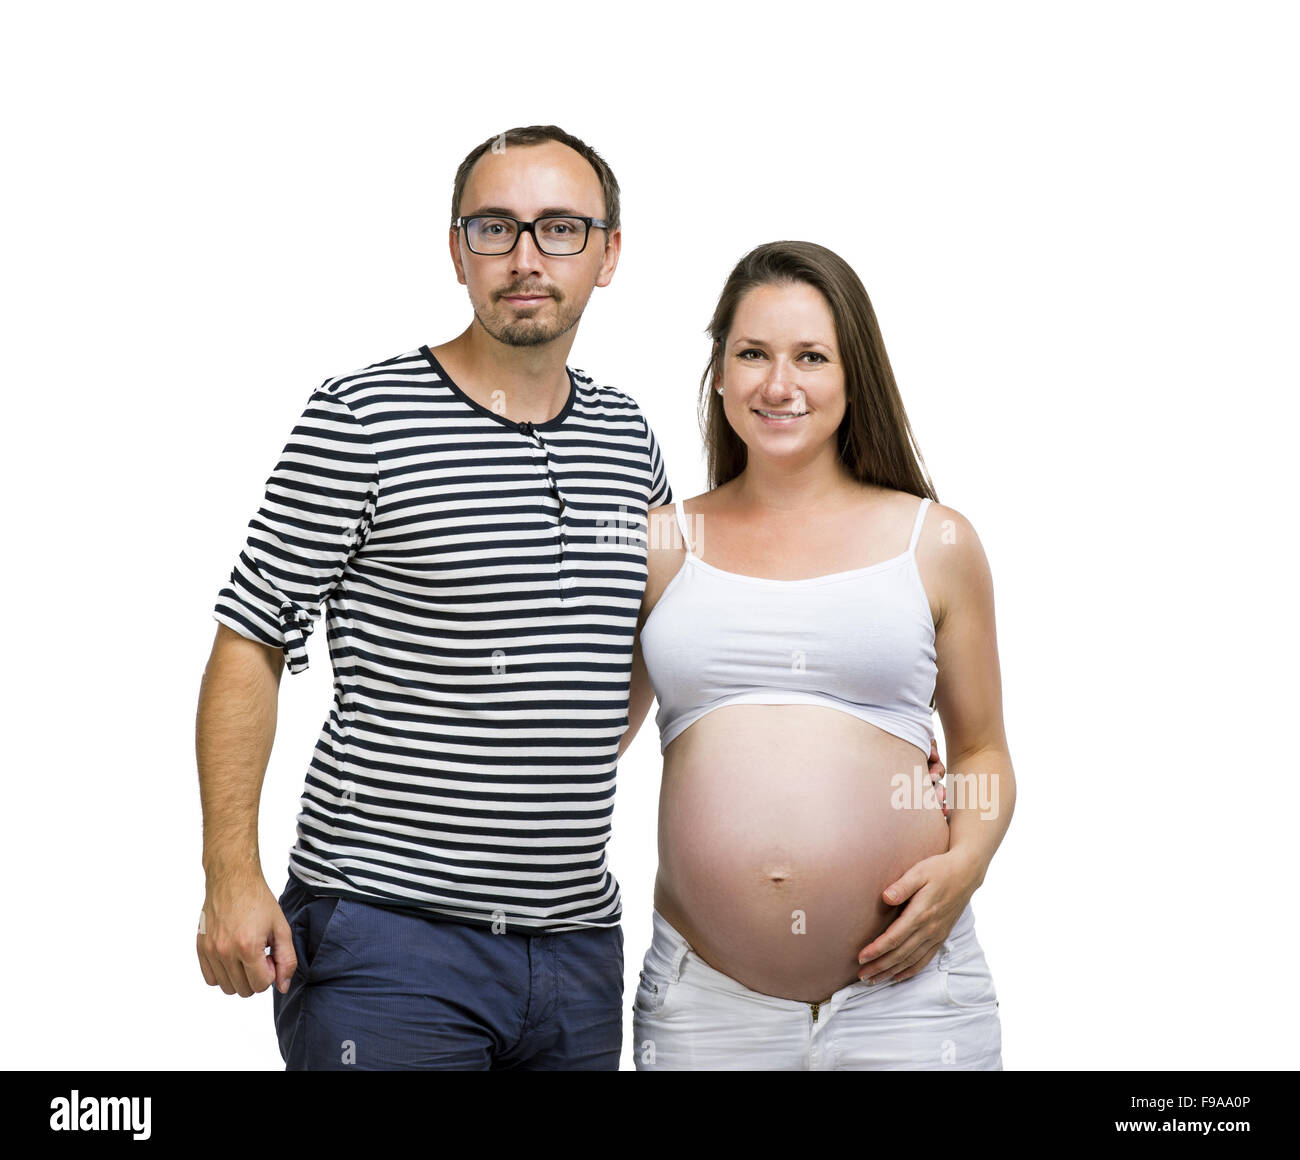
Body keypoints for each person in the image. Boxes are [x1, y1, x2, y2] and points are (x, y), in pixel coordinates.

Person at [194, 125, 677, 1069]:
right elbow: (247, 642)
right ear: (458, 250)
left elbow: (672, 636)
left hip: (578, 948)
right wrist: (229, 873)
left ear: (609, 253)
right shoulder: (360, 418)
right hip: (389, 941)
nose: (527, 258)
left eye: (562, 229)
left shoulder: (629, 434)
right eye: (495, 228)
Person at [626, 240, 1015, 1070]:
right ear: (719, 374)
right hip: (706, 1005)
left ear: (852, 374)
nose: (779, 385)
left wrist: (966, 867)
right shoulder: (661, 543)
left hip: (910, 1002)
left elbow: (982, 752)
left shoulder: (935, 540)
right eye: (753, 354)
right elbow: (578, 744)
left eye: (811, 356)